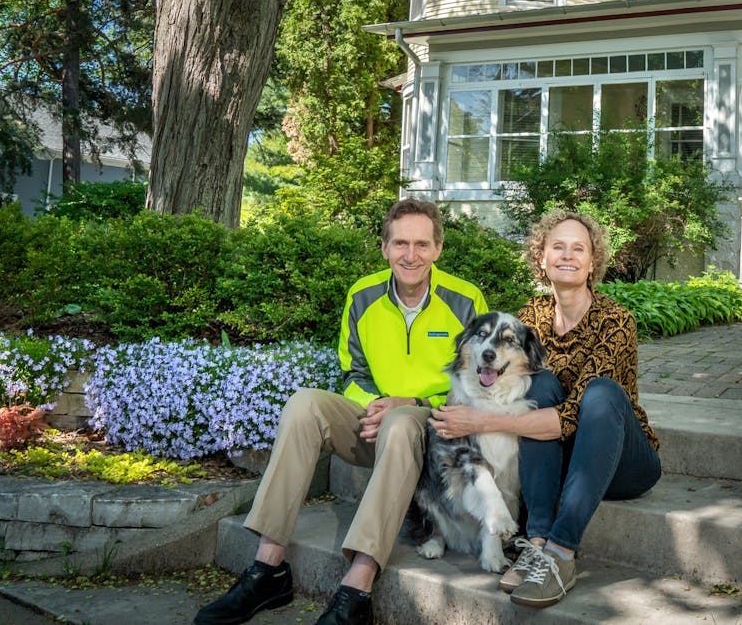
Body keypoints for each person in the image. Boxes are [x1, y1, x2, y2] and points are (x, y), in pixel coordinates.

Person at [195, 198, 488, 625]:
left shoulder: (465, 300)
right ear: (385, 247)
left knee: (404, 422)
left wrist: (413, 404)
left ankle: (357, 587)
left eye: (422, 244)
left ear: (438, 249)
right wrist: (375, 408)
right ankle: (268, 568)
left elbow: (476, 385)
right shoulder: (363, 295)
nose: (411, 255)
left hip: (434, 430)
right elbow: (354, 372)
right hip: (375, 424)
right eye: (401, 243)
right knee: (304, 404)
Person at [429, 210, 661, 609]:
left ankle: (560, 552)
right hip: (568, 456)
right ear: (542, 257)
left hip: (622, 458)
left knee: (601, 394)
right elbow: (510, 388)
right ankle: (535, 542)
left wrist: (480, 420)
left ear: (592, 261)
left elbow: (569, 416)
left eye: (578, 248)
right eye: (557, 246)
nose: (567, 255)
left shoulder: (615, 321)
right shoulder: (530, 318)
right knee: (540, 384)